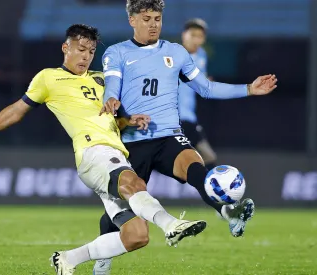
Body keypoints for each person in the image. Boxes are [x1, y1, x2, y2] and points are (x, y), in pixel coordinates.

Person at [0, 24, 207, 275]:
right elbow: (16, 111)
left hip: (115, 155)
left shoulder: (100, 79)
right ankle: (172, 224)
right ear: (66, 48)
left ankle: (68, 259)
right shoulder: (48, 77)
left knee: (137, 236)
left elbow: (111, 119)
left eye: (91, 51)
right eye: (80, 49)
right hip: (93, 152)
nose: (86, 56)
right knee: (136, 184)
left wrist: (127, 121)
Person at [93, 1, 277, 274]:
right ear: (132, 20)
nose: (154, 23)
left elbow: (206, 88)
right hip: (131, 141)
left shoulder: (175, 53)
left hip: (169, 136)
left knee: (196, 168)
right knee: (119, 210)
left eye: (157, 18)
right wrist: (111, 100)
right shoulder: (117, 52)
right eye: (146, 18)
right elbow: (112, 85)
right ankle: (102, 258)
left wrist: (249, 88)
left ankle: (229, 212)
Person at [178, 18, 217, 170]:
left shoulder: (201, 55)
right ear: (184, 35)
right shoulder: (173, 56)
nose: (195, 39)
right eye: (192, 34)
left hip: (189, 119)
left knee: (208, 158)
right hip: (173, 120)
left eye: (199, 36)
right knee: (206, 157)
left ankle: (213, 191)